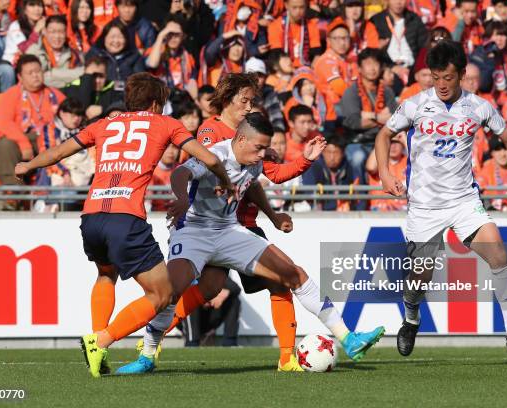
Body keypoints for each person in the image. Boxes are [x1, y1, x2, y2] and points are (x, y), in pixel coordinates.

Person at [119, 112, 385, 375]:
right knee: (172, 290)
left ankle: (348, 338)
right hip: (194, 230)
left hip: (228, 231)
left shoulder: (254, 158)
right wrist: (181, 198)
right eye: (258, 148)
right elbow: (180, 174)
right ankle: (147, 355)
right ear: (242, 139)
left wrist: (272, 215)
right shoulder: (215, 154)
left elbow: (253, 184)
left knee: (293, 275)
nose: (262, 155)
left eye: (265, 149)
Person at [14, 72, 233, 378]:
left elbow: (61, 151)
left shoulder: (105, 124)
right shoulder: (166, 124)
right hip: (125, 217)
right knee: (161, 295)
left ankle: (97, 347)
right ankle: (100, 342)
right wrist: (226, 181)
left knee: (106, 275)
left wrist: (28, 165)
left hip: (91, 217)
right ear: (157, 104)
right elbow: (209, 159)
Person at [375, 40, 507, 356]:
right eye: (436, 77)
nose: (442, 85)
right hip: (425, 205)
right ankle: (411, 318)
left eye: (448, 77)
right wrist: (385, 172)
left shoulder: (479, 107)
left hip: (463, 200)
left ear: (461, 74)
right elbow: (383, 135)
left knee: (498, 251)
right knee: (421, 274)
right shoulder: (416, 104)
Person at [0, 55, 66, 187]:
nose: (35, 76)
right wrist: (24, 144)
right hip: (24, 139)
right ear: (20, 77)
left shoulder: (55, 94)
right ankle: (14, 194)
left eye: (38, 71)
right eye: (30, 73)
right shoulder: (10, 94)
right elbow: (5, 123)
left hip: (51, 140)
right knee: (4, 144)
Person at [340, 47, 397, 184]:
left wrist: (369, 116)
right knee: (357, 157)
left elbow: (395, 119)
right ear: (359, 68)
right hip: (359, 141)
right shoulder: (352, 92)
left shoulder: (387, 92)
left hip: (384, 139)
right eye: (368, 64)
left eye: (376, 64)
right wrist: (380, 118)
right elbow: (354, 122)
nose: (372, 68)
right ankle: (359, 201)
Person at [25, 15, 85, 88]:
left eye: (61, 32)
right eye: (52, 32)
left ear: (66, 33)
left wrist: (53, 73)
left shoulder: (73, 54)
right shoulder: (34, 51)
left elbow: (82, 74)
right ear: (45, 32)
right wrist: (66, 80)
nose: (57, 36)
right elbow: (31, 80)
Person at [85, 20, 146, 92]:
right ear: (104, 38)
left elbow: (141, 84)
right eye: (112, 37)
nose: (116, 41)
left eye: (120, 37)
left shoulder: (135, 57)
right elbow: (88, 82)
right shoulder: (95, 54)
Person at [146, 15, 198, 98]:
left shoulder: (187, 56)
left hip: (181, 100)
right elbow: (152, 64)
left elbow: (192, 82)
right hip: (159, 99)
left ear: (183, 36)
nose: (173, 38)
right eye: (170, 34)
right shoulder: (155, 51)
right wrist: (160, 36)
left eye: (177, 34)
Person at [302, 137, 360, 211]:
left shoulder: (350, 168)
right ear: (322, 152)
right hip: (320, 214)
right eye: (328, 152)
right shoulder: (314, 168)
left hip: (345, 214)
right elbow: (308, 194)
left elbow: (359, 196)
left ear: (343, 153)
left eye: (336, 153)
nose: (332, 157)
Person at [181, 277, 242, 347]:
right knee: (189, 298)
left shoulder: (214, 272)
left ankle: (230, 342)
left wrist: (224, 293)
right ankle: (192, 343)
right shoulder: (187, 271)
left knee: (234, 300)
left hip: (210, 316)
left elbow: (236, 287)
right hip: (188, 318)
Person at [313, 17, 359, 109]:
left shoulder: (348, 60)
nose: (342, 43)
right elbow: (339, 87)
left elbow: (358, 83)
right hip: (330, 108)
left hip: (346, 103)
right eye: (336, 38)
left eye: (345, 38)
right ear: (328, 40)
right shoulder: (326, 60)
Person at [267, 0, 321, 68]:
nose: (298, 11)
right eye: (294, 7)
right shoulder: (275, 26)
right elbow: (277, 54)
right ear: (286, 5)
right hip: (284, 69)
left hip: (305, 69)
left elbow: (316, 54)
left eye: (301, 7)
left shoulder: (312, 25)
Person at [62, 55, 119, 121]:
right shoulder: (72, 87)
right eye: (93, 76)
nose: (97, 81)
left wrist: (103, 109)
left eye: (101, 76)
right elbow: (80, 109)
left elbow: (121, 105)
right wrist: (87, 79)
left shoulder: (114, 88)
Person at [245, 57, 286, 133]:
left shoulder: (269, 93)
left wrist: (277, 135)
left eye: (260, 75)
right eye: (252, 75)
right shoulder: (238, 93)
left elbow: (276, 119)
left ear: (265, 77)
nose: (256, 79)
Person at [2, 0, 46, 64]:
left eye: (40, 5)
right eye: (32, 5)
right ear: (24, 10)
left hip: (36, 62)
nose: (37, 9)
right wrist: (36, 31)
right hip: (13, 63)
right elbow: (25, 49)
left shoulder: (44, 24)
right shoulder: (16, 25)